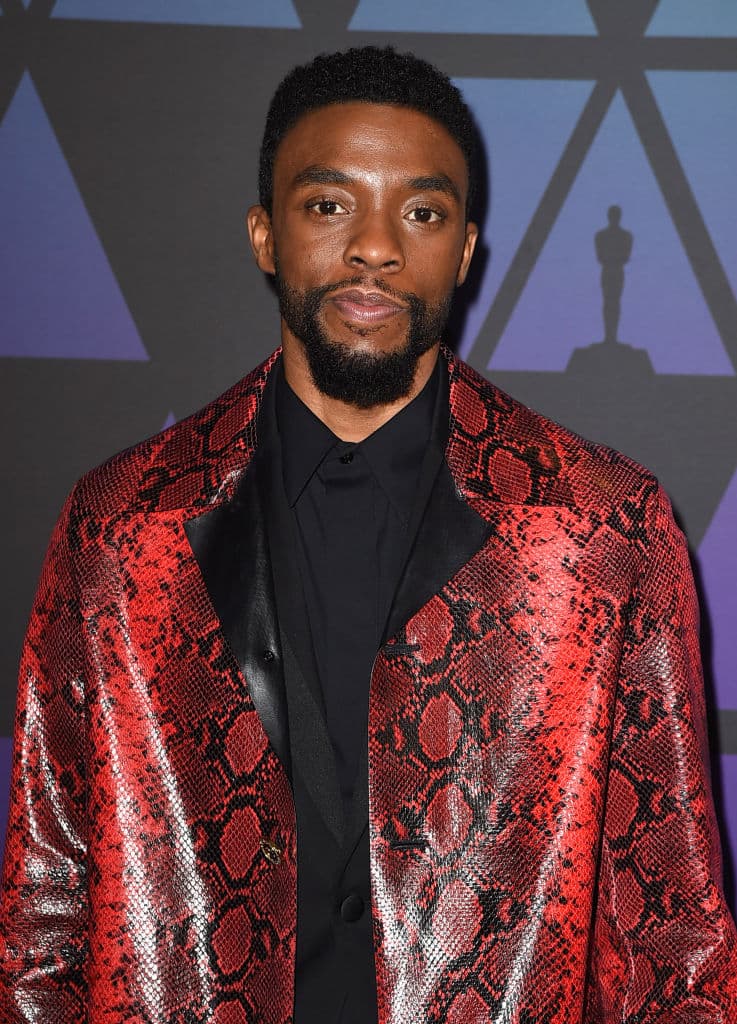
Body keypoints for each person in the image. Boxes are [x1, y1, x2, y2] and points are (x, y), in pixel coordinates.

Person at [0, 45, 735, 1024]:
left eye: (420, 213)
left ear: (464, 251)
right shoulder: (120, 522)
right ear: (265, 234)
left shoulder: (598, 526)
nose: (375, 246)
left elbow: (672, 947)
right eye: (328, 204)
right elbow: (44, 918)